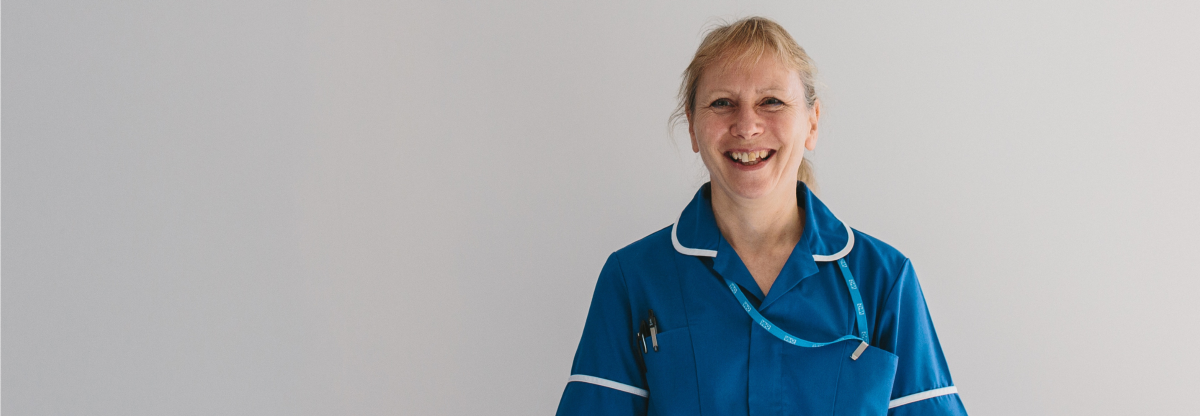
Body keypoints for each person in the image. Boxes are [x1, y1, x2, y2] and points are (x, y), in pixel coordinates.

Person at [555, 16, 967, 416]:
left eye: (771, 101)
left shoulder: (884, 280)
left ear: (812, 122)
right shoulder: (633, 278)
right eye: (722, 103)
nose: (747, 125)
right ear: (694, 128)